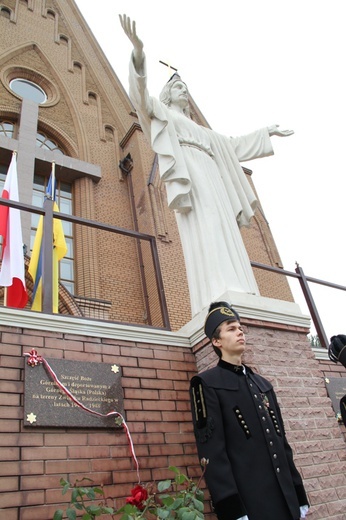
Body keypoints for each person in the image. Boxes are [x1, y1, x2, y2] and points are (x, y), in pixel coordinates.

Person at [119, 15, 294, 317]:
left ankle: (238, 284)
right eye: (178, 89)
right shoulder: (163, 114)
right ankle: (214, 288)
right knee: (207, 224)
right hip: (192, 172)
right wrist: (138, 54)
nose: (183, 92)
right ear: (168, 96)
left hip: (211, 173)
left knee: (225, 226)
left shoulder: (204, 132)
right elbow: (140, 98)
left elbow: (233, 144)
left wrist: (266, 132)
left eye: (185, 89)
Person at [189, 301, 309, 520]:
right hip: (252, 505)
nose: (240, 333)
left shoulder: (263, 385)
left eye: (240, 328)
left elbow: (282, 446)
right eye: (231, 329)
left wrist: (299, 495)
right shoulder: (206, 384)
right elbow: (212, 453)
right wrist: (232, 509)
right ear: (216, 341)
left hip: (287, 501)